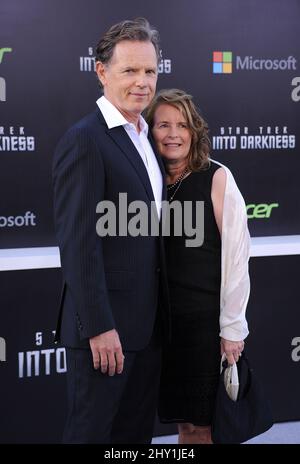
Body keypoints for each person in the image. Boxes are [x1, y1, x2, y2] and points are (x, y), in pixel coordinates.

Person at [52, 18, 170, 444]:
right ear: (101, 72)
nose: (142, 82)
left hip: (147, 330)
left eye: (150, 71)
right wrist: (99, 327)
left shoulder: (146, 135)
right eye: (130, 71)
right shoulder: (86, 140)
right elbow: (79, 245)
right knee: (91, 436)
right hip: (106, 335)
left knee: (133, 440)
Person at [145, 89, 250, 444]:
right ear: (149, 130)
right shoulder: (150, 181)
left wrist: (232, 328)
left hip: (204, 326)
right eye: (163, 125)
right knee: (184, 424)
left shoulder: (216, 177)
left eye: (182, 125)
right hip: (163, 326)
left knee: (203, 426)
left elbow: (238, 256)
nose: (173, 133)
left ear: (194, 131)